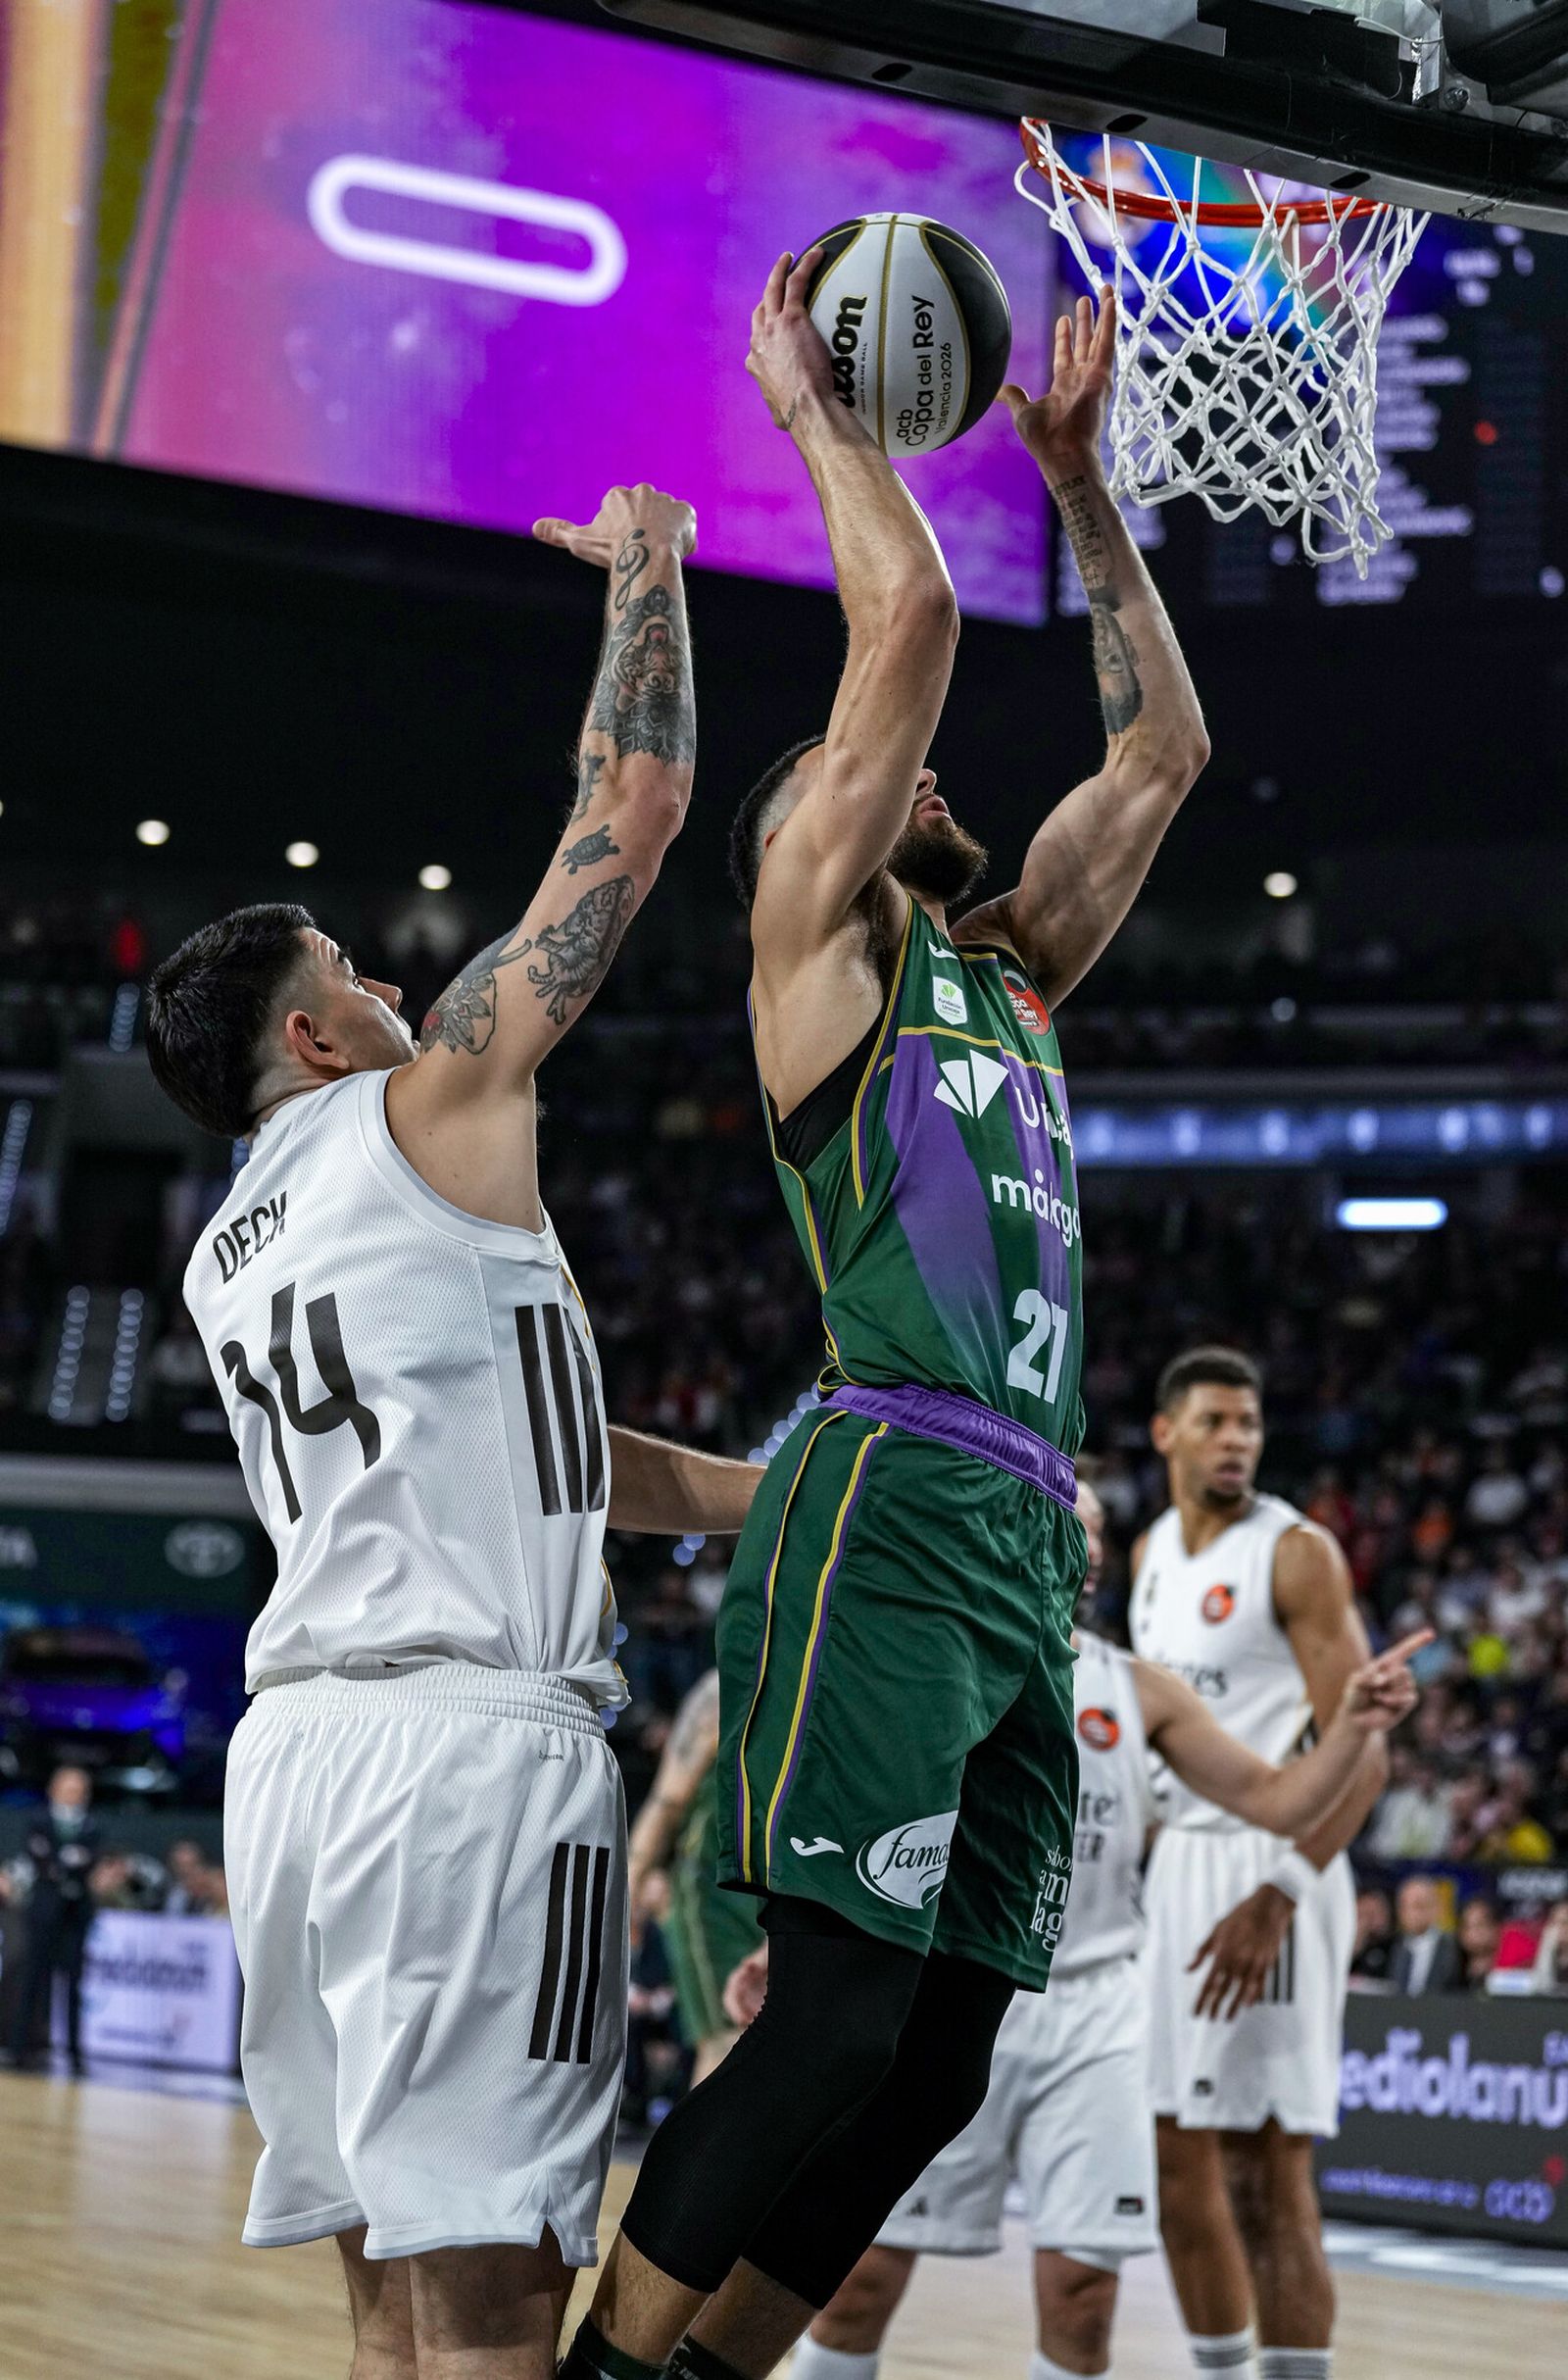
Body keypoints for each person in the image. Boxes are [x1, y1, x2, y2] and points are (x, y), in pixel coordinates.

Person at [563, 261, 1209, 2380]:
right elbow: (906, 631)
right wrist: (809, 415)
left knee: (931, 2059)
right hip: (893, 1480)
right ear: (812, 846)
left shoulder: (1004, 973)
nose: (927, 785)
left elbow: (1162, 746)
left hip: (1030, 1537)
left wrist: (1080, 489)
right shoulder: (815, 963)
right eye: (871, 784)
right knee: (834, 2005)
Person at [146, 482, 761, 2380]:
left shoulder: (224, 1258)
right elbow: (634, 811)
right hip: (467, 1767)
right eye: (359, 974)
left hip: (302, 1771)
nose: (403, 985)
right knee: (493, 2318)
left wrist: (773, 1486)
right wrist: (648, 570)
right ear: (319, 1040)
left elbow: (538, 1444)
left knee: (387, 2319)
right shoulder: (431, 1113)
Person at [790, 1485, 1422, 2380]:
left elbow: (1279, 1801)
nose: (1081, 1538)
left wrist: (1352, 1727)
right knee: (860, 2277)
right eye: (1062, 1517)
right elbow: (850, 1822)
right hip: (956, 1994)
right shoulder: (938, 1659)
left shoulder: (1140, 1691)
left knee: (1086, 2303)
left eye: (1093, 1528)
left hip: (1096, 2011)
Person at [1128, 1347, 1392, 2380]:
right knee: (1173, 2158)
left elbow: (1364, 1754)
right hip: (1176, 1868)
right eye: (1214, 1422)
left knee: (1265, 2169)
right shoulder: (1150, 1554)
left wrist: (1280, 1894)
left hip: (1270, 1867)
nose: (1236, 1439)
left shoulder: (1296, 1554)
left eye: (1249, 1422)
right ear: (1165, 1433)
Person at [626, 1668, 764, 2086]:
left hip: (787, 1882)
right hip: (715, 1888)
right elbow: (667, 1801)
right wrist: (630, 1892)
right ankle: (707, 2153)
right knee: (730, 2036)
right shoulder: (723, 1688)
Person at [6, 1765, 100, 2076]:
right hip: (44, 1912)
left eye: (79, 1788)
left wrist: (67, 1864)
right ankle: (21, 2047)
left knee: (74, 1983)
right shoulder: (39, 1819)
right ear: (54, 1789)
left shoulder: (91, 1824)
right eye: (68, 1787)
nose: (74, 1794)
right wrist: (65, 1863)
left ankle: (74, 2053)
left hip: (76, 1915)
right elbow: (42, 1857)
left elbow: (89, 1860)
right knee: (33, 1978)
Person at [1390, 1877, 1463, 1996]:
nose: (1412, 1914)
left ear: (1436, 1908)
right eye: (1405, 1906)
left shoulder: (1454, 1948)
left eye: (1419, 1906)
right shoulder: (1392, 1946)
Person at [1454, 1896, 1501, 1993]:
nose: (1474, 1933)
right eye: (1468, 1927)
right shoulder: (1451, 1971)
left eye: (1480, 1925)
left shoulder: (1509, 1970)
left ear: (1495, 1927)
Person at [1348, 1888, 1395, 1984]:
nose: (1367, 1921)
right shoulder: (1351, 1948)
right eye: (1362, 1915)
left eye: (1372, 1914)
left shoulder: (1398, 1947)